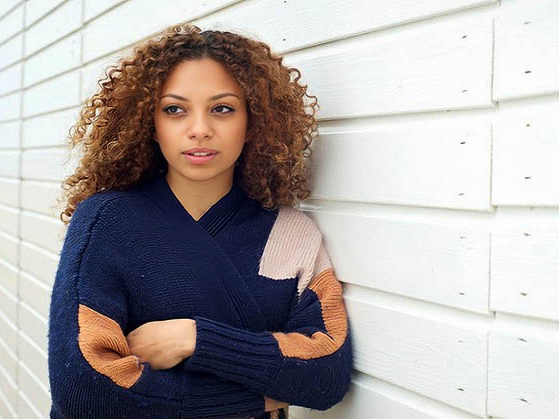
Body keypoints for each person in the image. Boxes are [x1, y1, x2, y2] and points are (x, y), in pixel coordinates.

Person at [47, 23, 354, 419]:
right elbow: (87, 391)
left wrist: (195, 338)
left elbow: (326, 374)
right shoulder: (105, 223)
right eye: (174, 109)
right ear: (151, 126)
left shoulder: (291, 235)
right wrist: (254, 399)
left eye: (222, 109)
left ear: (253, 123)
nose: (199, 130)